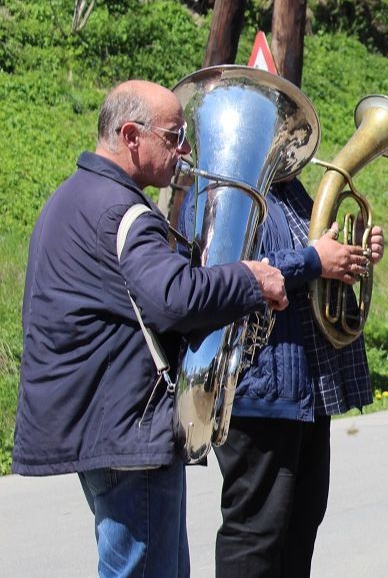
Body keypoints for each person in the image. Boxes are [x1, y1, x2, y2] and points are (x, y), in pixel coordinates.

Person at [13, 80, 288, 578]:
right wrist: (249, 277)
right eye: (175, 136)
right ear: (131, 135)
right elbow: (175, 300)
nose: (185, 151)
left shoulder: (71, 198)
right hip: (127, 431)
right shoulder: (125, 212)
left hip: (100, 426)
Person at [191, 176, 385, 577]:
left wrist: (354, 255)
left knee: (301, 525)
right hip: (259, 388)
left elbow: (317, 260)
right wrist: (315, 260)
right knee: (256, 532)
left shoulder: (290, 191)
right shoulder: (228, 186)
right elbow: (231, 273)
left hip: (308, 388)